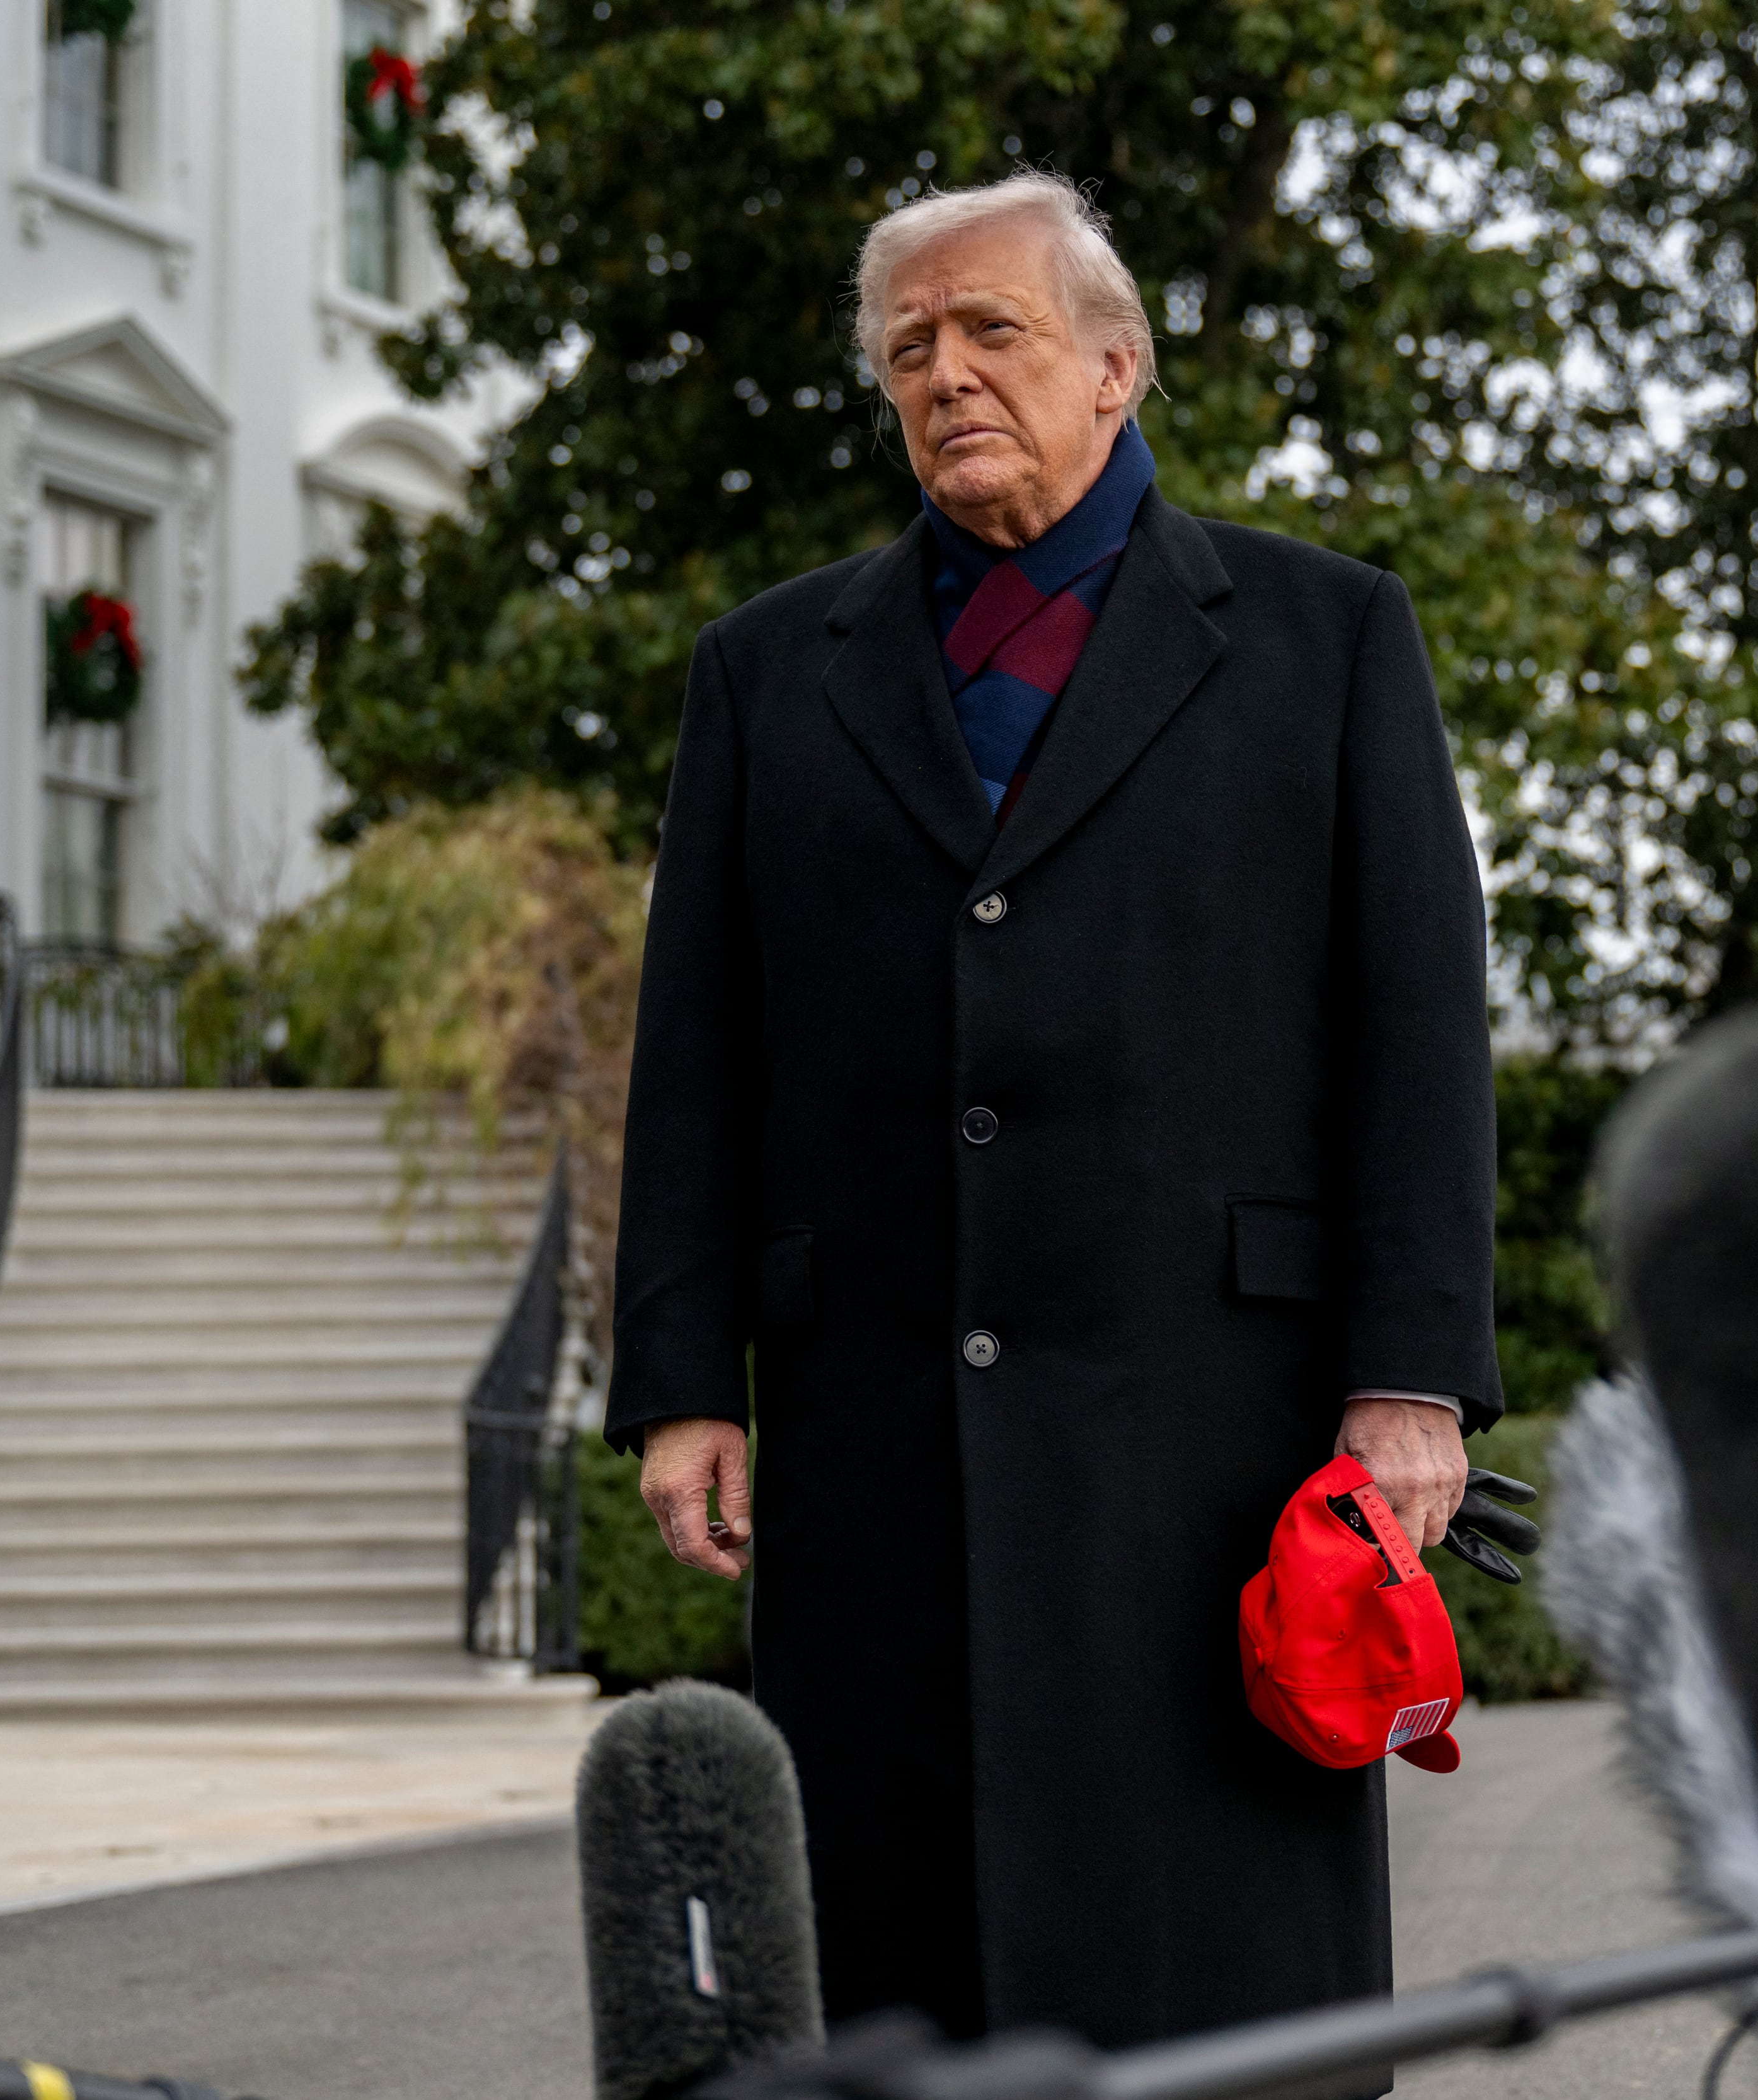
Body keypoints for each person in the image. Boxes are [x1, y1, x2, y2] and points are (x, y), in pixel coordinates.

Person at [607, 169, 1500, 2058]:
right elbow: (696, 1044)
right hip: (871, 1429)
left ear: (1118, 365)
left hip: (1219, 1428)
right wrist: (683, 1372)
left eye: (990, 331)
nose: (946, 376)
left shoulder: (1328, 636)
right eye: (908, 349)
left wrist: (1412, 1372)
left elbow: (1416, 1029)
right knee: (889, 1951)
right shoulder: (770, 674)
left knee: (1220, 1966)